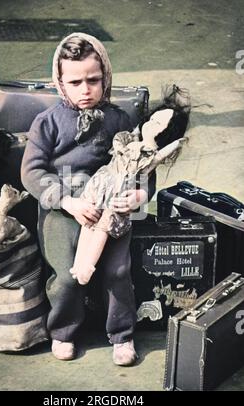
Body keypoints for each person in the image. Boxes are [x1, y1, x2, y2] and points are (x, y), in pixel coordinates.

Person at [21, 32, 155, 366]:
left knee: (117, 271)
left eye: (93, 80)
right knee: (67, 275)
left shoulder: (120, 120)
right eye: (75, 82)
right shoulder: (48, 122)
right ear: (60, 82)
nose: (85, 90)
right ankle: (64, 331)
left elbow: (142, 165)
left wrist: (139, 193)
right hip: (64, 207)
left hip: (110, 206)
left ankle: (122, 335)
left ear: (105, 77)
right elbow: (32, 172)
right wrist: (68, 201)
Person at [69, 85, 191, 286]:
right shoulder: (132, 138)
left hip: (119, 189)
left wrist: (142, 195)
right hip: (102, 182)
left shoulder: (148, 153)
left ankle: (88, 266)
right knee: (88, 222)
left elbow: (153, 166)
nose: (151, 124)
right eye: (152, 119)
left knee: (103, 225)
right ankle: (79, 263)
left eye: (159, 123)